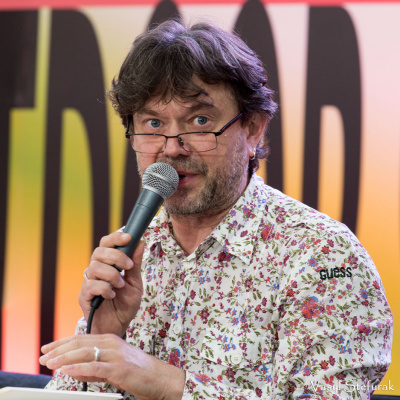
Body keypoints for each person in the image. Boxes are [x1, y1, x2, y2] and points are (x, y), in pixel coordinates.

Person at [39, 19, 393, 400]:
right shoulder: (134, 254)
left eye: (199, 121)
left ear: (253, 129)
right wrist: (104, 334)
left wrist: (165, 383)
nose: (171, 147)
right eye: (153, 123)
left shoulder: (321, 254)